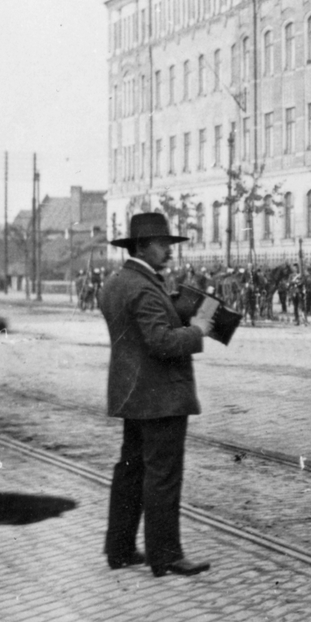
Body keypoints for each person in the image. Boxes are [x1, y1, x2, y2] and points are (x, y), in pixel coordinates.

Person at [101, 211, 216, 578]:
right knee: (163, 475)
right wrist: (199, 330)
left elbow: (138, 334)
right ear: (142, 247)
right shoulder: (143, 287)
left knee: (130, 471)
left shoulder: (117, 283)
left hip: (133, 395)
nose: (169, 251)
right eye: (163, 244)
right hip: (161, 397)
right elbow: (161, 342)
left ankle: (119, 549)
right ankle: (165, 555)